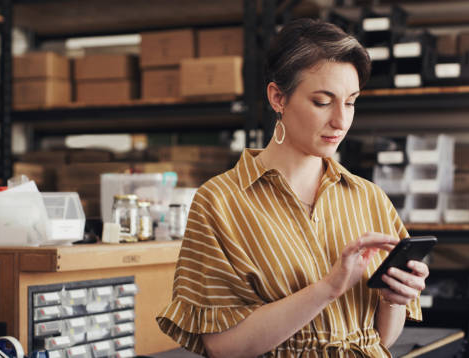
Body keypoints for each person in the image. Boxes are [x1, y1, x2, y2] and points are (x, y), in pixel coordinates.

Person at [157, 18, 429, 358]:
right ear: (278, 98)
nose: (341, 121)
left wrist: (393, 300)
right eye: (322, 101)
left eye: (351, 102)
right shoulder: (219, 203)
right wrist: (327, 289)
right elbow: (222, 347)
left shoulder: (368, 198)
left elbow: (379, 340)